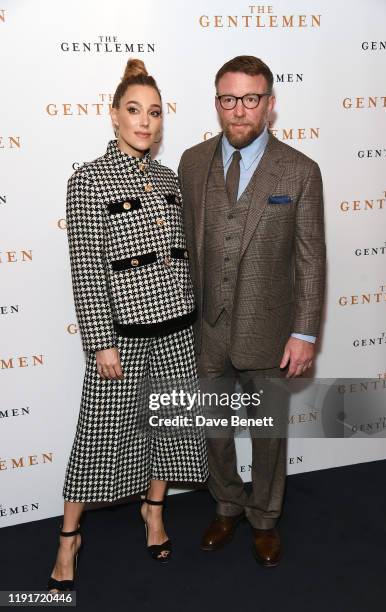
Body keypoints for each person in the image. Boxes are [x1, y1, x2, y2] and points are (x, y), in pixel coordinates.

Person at [47, 58, 208, 592]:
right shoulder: (88, 180)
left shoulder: (167, 178)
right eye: (135, 110)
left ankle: (154, 512)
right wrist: (100, 343)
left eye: (155, 113)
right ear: (113, 114)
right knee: (99, 436)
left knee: (167, 429)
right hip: (124, 337)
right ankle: (69, 537)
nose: (146, 121)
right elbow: (86, 269)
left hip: (178, 330)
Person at [178, 55, 326, 566]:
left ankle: (264, 516)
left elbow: (310, 259)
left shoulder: (301, 171)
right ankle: (226, 504)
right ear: (217, 101)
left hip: (270, 329)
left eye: (250, 99)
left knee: (267, 435)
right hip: (206, 326)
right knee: (214, 431)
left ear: (269, 103)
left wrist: (304, 333)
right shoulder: (192, 162)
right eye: (228, 99)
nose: (238, 111)